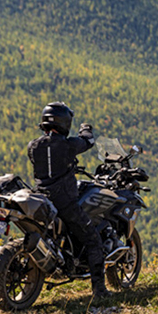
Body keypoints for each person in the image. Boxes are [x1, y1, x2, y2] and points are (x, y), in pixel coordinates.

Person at [27, 102, 111, 300]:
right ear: (64, 122)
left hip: (42, 200)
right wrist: (86, 129)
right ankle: (99, 290)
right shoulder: (68, 145)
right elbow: (88, 141)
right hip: (65, 203)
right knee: (93, 240)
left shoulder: (33, 146)